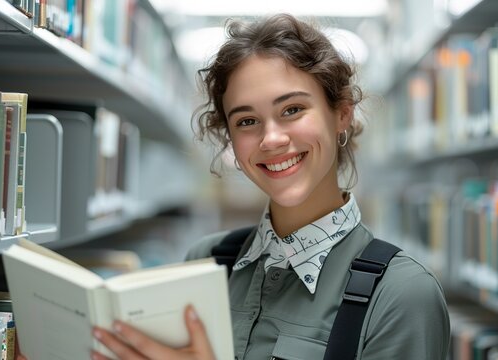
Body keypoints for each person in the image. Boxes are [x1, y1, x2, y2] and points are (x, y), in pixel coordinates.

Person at [87, 13, 450, 360]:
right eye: (247, 121)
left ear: (341, 113)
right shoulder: (205, 263)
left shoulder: (402, 294)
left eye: (292, 110)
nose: (271, 139)